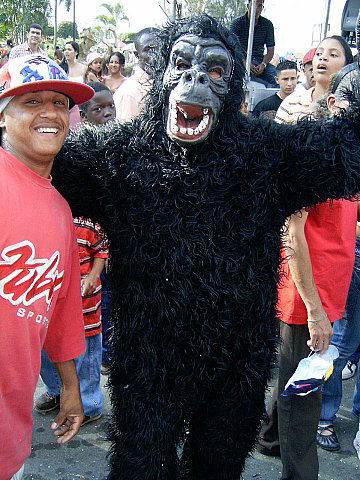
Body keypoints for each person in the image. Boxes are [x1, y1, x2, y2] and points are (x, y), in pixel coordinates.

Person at [50, 14, 360, 480]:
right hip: (148, 360)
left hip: (237, 362)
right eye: (182, 65)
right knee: (142, 468)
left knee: (216, 468)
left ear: (233, 88)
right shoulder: (122, 153)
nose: (195, 80)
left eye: (214, 71)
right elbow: (37, 160)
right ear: (161, 78)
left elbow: (346, 151)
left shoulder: (264, 153)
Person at [258, 36, 356, 480]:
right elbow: (292, 233)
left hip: (329, 289)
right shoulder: (309, 151)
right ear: (335, 102)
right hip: (304, 296)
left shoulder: (349, 153)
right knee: (305, 391)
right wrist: (315, 310)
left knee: (294, 376)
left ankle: (271, 438)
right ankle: (301, 473)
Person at [0, 53, 94, 480]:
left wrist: (70, 391)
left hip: (12, 428)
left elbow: (61, 315)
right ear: (3, 116)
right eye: (31, 101)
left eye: (59, 103)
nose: (50, 113)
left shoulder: (60, 209)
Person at [35, 217, 108, 426]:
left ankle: (89, 404)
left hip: (85, 306)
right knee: (46, 350)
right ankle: (57, 390)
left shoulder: (88, 220)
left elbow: (102, 250)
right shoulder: (44, 214)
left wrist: (93, 276)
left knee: (87, 356)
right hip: (49, 302)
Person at [276, 35, 353, 123]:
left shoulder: (352, 107)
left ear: (347, 66)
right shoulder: (291, 102)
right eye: (318, 54)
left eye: (333, 55)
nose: (322, 58)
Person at [113, 27, 158, 122]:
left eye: (159, 48)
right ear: (137, 55)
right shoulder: (130, 93)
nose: (155, 55)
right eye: (148, 50)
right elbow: (130, 135)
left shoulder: (162, 84)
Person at [230, 0, 277, 87]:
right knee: (242, 77)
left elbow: (270, 51)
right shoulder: (237, 23)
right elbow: (231, 47)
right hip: (240, 60)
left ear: (262, 8)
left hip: (259, 60)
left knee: (276, 76)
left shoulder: (267, 25)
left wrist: (263, 64)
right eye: (254, 6)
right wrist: (244, 62)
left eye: (260, 6)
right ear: (248, 6)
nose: (257, 9)